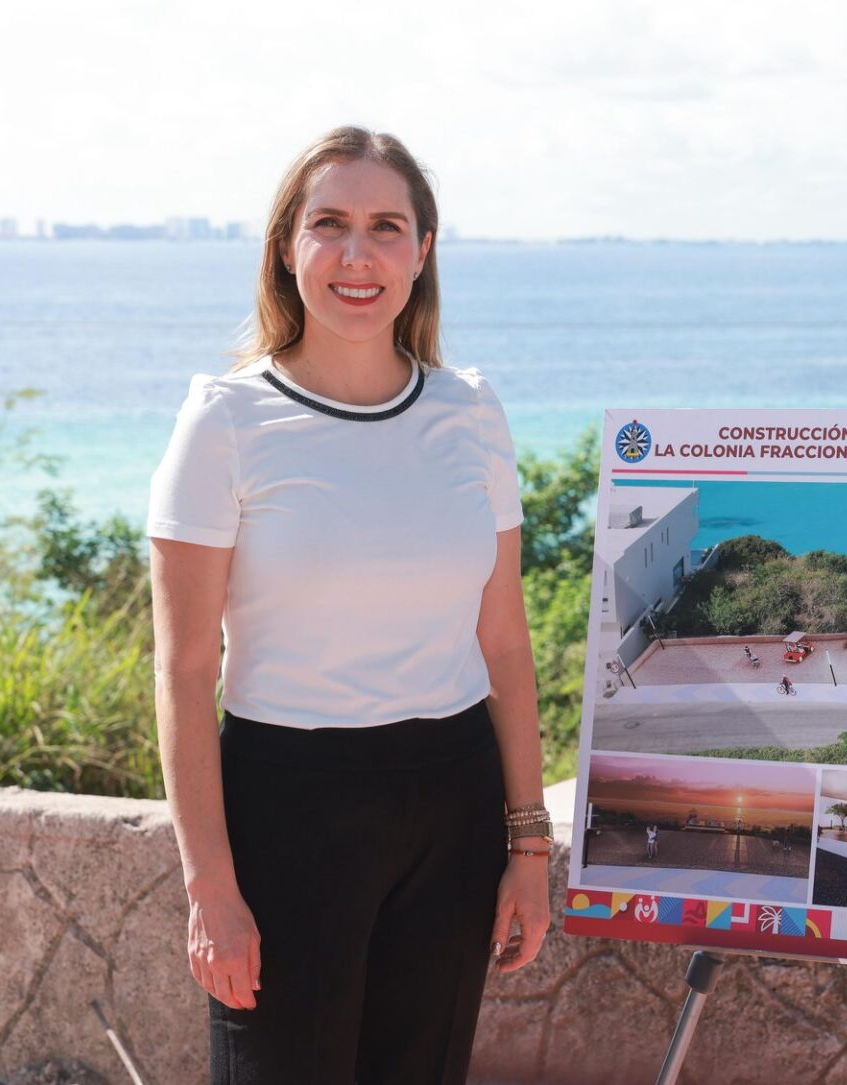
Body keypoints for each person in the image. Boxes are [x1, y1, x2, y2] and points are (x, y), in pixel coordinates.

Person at [148, 127, 550, 1085]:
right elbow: (184, 668)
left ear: (422, 251)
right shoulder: (226, 421)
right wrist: (210, 885)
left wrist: (527, 842)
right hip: (287, 808)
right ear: (289, 247)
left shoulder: (472, 412)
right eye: (329, 224)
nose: (357, 255)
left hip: (451, 801)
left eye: (386, 227)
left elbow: (504, 643)